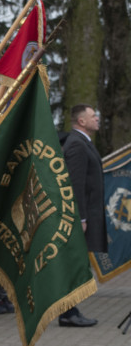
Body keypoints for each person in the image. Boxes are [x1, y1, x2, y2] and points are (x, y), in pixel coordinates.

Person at [58, 104, 106, 327]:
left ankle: (71, 309)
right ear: (81, 122)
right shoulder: (76, 144)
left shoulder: (83, 142)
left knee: (77, 263)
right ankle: (68, 312)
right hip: (80, 217)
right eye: (92, 116)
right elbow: (75, 185)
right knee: (73, 263)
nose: (97, 119)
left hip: (85, 215)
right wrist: (81, 218)